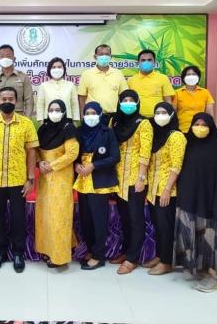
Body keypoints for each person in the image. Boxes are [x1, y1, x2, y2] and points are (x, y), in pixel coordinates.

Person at [0, 86, 39, 273]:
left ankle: (18, 253)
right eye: (3, 99)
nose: (7, 102)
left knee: (18, 218)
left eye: (11, 99)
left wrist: (30, 178)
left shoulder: (26, 124)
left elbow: (31, 152)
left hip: (19, 180)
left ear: (16, 101)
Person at [174, 113, 217, 292]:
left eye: (204, 124)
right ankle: (199, 269)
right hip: (189, 199)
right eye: (196, 124)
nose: (199, 128)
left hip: (210, 202)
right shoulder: (188, 144)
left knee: (210, 238)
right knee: (190, 234)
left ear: (211, 127)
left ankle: (214, 275)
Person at [109, 90, 153, 275]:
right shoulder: (115, 122)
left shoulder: (143, 123)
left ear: (137, 102)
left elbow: (145, 152)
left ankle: (133, 258)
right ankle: (126, 251)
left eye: (131, 100)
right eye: (124, 100)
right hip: (119, 177)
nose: (128, 103)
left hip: (136, 178)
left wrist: (141, 177)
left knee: (135, 218)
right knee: (125, 218)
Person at [73, 101, 120, 270]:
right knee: (86, 218)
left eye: (94, 113)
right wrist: (76, 165)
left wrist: (94, 165)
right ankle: (91, 250)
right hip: (83, 179)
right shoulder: (79, 132)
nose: (90, 117)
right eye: (87, 113)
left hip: (100, 180)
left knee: (99, 219)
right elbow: (74, 153)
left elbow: (114, 157)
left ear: (100, 114)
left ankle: (99, 256)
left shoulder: (108, 132)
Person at [35, 100, 80, 267]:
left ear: (64, 111)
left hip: (61, 177)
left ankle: (60, 257)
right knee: (45, 214)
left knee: (60, 215)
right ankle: (49, 249)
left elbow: (72, 153)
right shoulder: (43, 129)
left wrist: (52, 165)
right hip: (45, 178)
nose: (54, 113)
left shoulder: (68, 128)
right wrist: (39, 162)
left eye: (58, 110)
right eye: (51, 110)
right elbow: (35, 150)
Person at [145, 102, 186, 275]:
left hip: (167, 190)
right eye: (157, 112)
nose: (160, 116)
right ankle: (160, 255)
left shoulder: (176, 136)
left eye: (164, 112)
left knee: (165, 226)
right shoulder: (156, 135)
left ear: (171, 115)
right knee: (157, 224)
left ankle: (167, 261)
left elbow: (177, 165)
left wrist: (167, 189)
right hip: (153, 189)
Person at [77, 44, 128, 125]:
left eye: (107, 54)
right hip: (93, 116)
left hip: (113, 117)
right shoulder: (86, 74)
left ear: (111, 57)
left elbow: (124, 95)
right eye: (101, 54)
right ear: (95, 56)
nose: (104, 56)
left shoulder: (118, 73)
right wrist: (83, 117)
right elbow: (81, 97)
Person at [0, 44, 34, 118]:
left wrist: (27, 120)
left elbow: (29, 101)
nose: (5, 58)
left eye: (8, 56)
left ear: (14, 59)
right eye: (2, 56)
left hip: (18, 118)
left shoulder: (23, 77)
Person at [127, 49, 175, 118]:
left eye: (149, 60)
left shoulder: (163, 78)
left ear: (154, 63)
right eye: (143, 60)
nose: (146, 62)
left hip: (159, 118)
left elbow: (168, 102)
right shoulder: (131, 80)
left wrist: (169, 117)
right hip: (136, 118)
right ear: (138, 63)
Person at [36, 58, 80, 123]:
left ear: (64, 69)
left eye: (59, 67)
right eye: (53, 67)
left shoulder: (71, 85)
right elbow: (40, 105)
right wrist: (41, 122)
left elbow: (74, 104)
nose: (56, 69)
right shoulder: (43, 85)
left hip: (67, 119)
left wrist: (75, 121)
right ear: (49, 69)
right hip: (48, 120)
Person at [173, 65, 215, 133]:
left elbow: (210, 115)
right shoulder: (177, 93)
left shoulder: (205, 92)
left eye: (194, 74)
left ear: (198, 77)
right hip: (182, 129)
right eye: (188, 74)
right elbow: (173, 114)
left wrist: (210, 129)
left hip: (200, 129)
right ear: (183, 77)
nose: (191, 76)